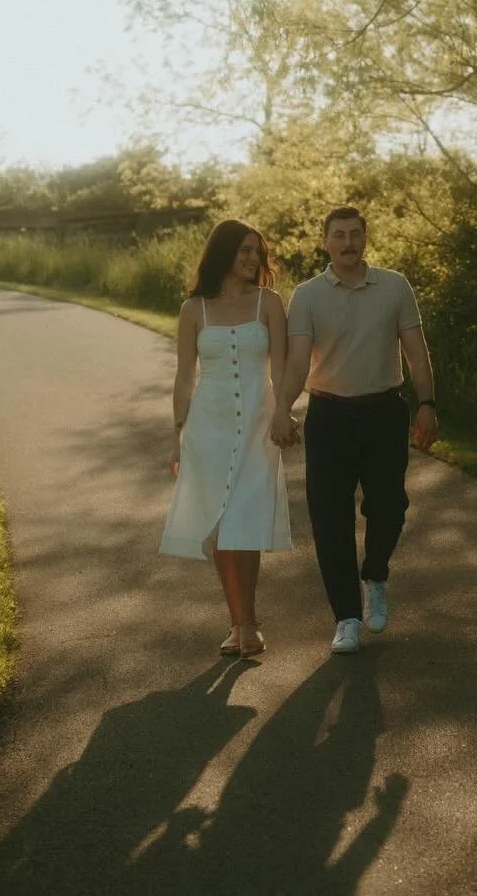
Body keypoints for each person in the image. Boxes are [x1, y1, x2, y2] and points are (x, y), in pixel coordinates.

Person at [271, 207, 437, 654]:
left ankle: (375, 575)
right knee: (330, 520)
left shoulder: (395, 285)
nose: (348, 243)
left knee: (390, 505)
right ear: (325, 242)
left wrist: (427, 405)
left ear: (365, 239)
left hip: (385, 412)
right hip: (329, 418)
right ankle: (346, 616)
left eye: (355, 235)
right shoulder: (306, 296)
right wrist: (281, 408)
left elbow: (417, 354)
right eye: (339, 235)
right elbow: (298, 361)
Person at [161, 218, 292, 658]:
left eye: (257, 250)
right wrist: (177, 434)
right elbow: (184, 378)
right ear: (223, 253)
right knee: (218, 529)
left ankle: (250, 623)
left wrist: (284, 413)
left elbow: (282, 368)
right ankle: (235, 621)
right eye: (244, 250)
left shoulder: (269, 304)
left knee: (246, 524)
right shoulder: (192, 310)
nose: (253, 258)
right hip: (208, 428)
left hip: (257, 425)